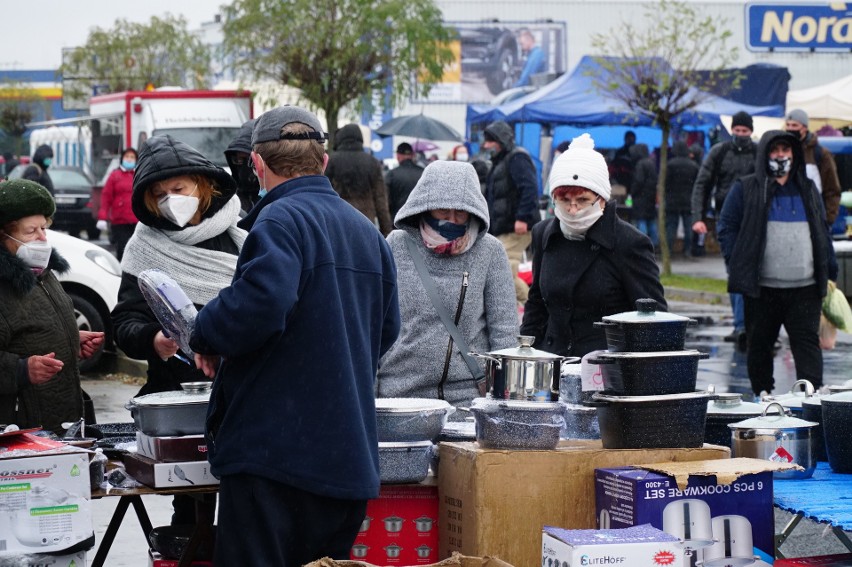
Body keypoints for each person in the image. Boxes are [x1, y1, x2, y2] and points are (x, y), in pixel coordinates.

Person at [188, 106, 400, 566]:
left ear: (257, 165)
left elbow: (261, 303)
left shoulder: (280, 220)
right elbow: (386, 331)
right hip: (345, 460)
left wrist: (203, 331)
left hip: (275, 461)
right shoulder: (368, 233)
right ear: (323, 162)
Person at [111, 135, 246, 524]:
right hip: (179, 403)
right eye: (159, 193)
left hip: (242, 392)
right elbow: (124, 321)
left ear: (202, 186)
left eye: (179, 188)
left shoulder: (240, 230)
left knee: (245, 502)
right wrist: (153, 339)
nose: (171, 198)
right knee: (190, 510)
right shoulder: (145, 246)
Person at [377, 160, 517, 409]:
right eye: (443, 211)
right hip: (399, 396)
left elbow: (504, 331)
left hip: (468, 399)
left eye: (461, 212)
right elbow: (373, 323)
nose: (451, 220)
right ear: (425, 207)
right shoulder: (396, 245)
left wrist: (504, 402)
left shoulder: (490, 252)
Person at [520, 134, 666, 357]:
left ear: (601, 198)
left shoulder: (630, 243)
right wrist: (526, 352)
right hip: (551, 361)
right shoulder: (543, 233)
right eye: (564, 200)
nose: (572, 209)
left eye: (582, 200)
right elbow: (536, 302)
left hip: (606, 370)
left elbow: (653, 316)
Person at [718, 130, 836, 397]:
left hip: (805, 288)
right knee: (759, 346)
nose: (781, 156)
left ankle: (810, 398)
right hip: (763, 289)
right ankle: (762, 396)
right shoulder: (747, 188)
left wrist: (830, 269)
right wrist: (738, 261)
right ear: (764, 154)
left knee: (807, 346)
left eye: (786, 151)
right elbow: (726, 228)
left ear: (794, 155)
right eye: (775, 150)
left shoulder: (807, 188)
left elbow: (821, 231)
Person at [0, 179, 104, 434]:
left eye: (44, 228)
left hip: (60, 418)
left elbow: (32, 328)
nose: (42, 238)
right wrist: (21, 370)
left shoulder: (43, 274)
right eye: (30, 231)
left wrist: (69, 339)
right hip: (20, 429)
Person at [691, 110, 757, 347]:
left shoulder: (758, 153)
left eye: (744, 131)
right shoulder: (719, 152)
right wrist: (697, 217)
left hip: (753, 220)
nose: (740, 134)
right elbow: (703, 183)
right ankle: (742, 325)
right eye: (737, 130)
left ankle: (745, 324)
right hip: (726, 220)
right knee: (735, 271)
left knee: (748, 272)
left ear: (751, 131)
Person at [481, 120, 540, 306]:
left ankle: (530, 304)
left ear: (501, 140)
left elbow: (529, 188)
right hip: (504, 227)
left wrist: (522, 218)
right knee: (502, 271)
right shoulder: (501, 162)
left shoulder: (516, 158)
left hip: (516, 227)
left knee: (501, 271)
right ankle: (529, 304)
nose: (486, 145)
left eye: (490, 141)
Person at [325, 123, 393, 235]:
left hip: (337, 222)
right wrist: (387, 233)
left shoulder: (332, 161)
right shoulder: (372, 162)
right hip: (366, 222)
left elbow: (324, 195)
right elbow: (381, 200)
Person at [785, 108, 842, 225]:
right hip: (787, 215)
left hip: (814, 217)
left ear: (804, 128)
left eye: (794, 125)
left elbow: (832, 189)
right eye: (788, 125)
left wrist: (827, 219)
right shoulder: (782, 151)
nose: (790, 129)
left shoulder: (821, 154)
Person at [96, 148, 138, 261]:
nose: (129, 160)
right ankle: (121, 273)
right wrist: (102, 217)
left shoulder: (138, 175)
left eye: (132, 157)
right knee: (123, 248)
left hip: (137, 220)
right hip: (120, 221)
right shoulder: (115, 175)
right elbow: (106, 197)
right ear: (122, 159)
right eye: (127, 157)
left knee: (136, 249)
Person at [665, 141, 699, 257]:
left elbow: (666, 183)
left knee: (671, 226)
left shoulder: (670, 164)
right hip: (688, 200)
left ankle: (668, 250)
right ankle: (687, 250)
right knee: (688, 227)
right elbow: (697, 184)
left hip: (672, 199)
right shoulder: (693, 165)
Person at [224, 118, 261, 214]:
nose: (245, 166)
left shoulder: (276, 197)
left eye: (250, 159)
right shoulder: (228, 196)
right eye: (239, 160)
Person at [629, 142, 658, 246]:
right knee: (651, 221)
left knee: (641, 222)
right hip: (650, 197)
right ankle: (655, 244)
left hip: (641, 198)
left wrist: (633, 192)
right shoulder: (651, 163)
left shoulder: (640, 164)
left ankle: (643, 244)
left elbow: (639, 181)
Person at [385, 142, 424, 219]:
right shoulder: (423, 173)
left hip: (397, 219)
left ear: (398, 156)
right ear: (412, 155)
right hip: (419, 220)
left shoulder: (392, 174)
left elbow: (386, 200)